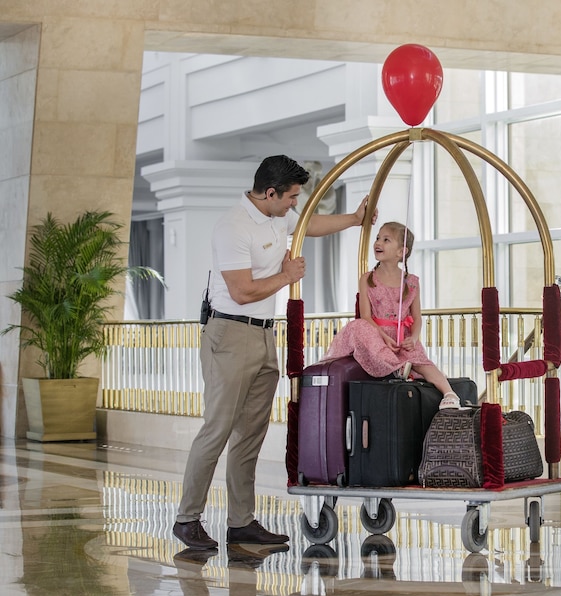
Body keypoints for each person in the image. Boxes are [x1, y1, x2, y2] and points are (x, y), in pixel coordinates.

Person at [173, 154, 374, 550]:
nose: (295, 205)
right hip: (229, 336)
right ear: (270, 193)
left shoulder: (277, 216)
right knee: (217, 429)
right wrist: (287, 276)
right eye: (292, 197)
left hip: (264, 335)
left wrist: (354, 218)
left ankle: (241, 522)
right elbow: (242, 291)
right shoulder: (232, 226)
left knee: (250, 434)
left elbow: (310, 225)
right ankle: (187, 518)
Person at [322, 221, 465, 410]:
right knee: (359, 327)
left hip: (402, 335)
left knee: (421, 361)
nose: (378, 243)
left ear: (401, 252)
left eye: (386, 240)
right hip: (375, 333)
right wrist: (384, 337)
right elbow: (365, 316)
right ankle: (398, 367)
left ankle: (449, 393)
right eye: (378, 238)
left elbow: (417, 318)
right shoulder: (367, 279)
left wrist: (413, 339)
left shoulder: (411, 282)